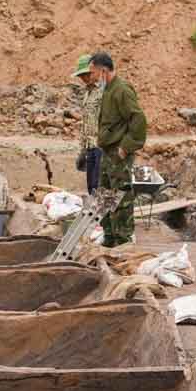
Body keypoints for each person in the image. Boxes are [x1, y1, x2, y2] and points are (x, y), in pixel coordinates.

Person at [90, 51, 147, 247]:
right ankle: (110, 237)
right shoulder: (108, 90)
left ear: (103, 70)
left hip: (118, 153)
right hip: (108, 152)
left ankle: (123, 241)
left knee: (120, 197)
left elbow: (138, 119)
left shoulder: (122, 90)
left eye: (94, 73)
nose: (93, 77)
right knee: (105, 196)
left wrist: (127, 146)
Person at [72, 53, 104, 194]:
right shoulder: (87, 93)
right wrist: (82, 151)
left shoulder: (104, 91)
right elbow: (86, 124)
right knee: (91, 188)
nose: (84, 79)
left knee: (99, 187)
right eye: (81, 76)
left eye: (86, 75)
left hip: (101, 146)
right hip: (89, 147)